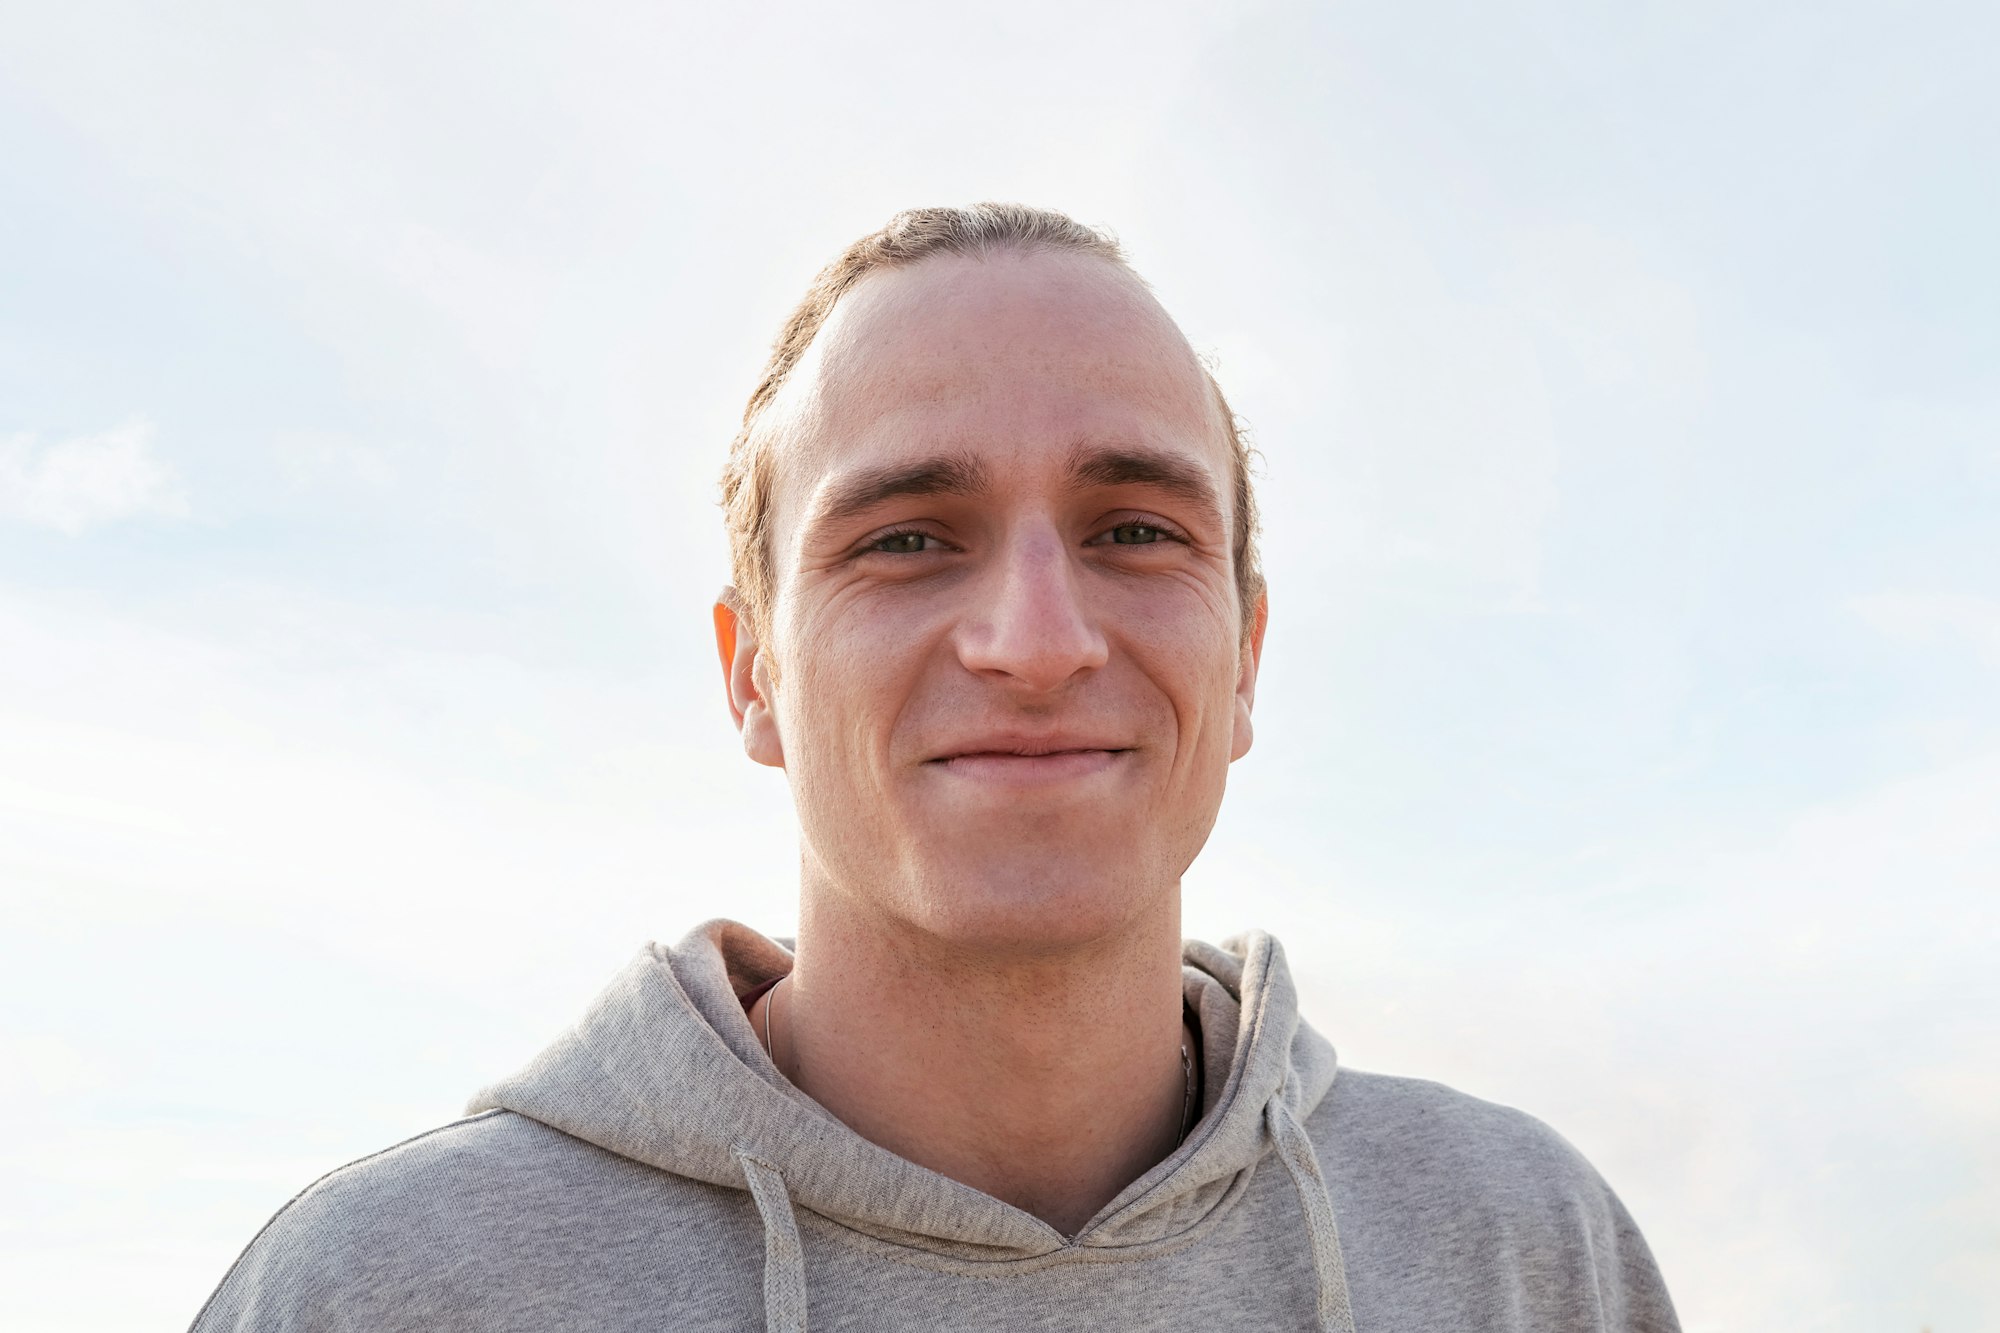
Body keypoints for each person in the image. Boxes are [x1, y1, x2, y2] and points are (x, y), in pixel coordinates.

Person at [191, 203, 1679, 1332]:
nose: (1036, 640)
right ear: (751, 670)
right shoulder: (386, 1292)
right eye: (906, 538)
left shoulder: (1522, 1251)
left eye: (1136, 530)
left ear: (1247, 659)